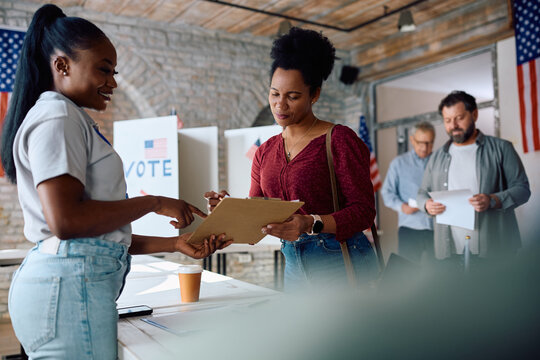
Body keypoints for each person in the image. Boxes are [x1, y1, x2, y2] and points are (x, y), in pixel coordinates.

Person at [0, 5, 231, 359]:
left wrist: (175, 243)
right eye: (103, 70)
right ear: (62, 65)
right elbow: (67, 222)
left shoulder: (66, 117)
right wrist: (154, 202)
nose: (112, 82)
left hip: (67, 286)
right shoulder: (57, 115)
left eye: (114, 72)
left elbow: (94, 236)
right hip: (68, 290)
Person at [206, 27, 378, 290]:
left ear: (315, 95)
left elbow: (364, 211)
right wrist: (229, 211)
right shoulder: (265, 151)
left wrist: (311, 222)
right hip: (293, 265)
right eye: (275, 94)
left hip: (340, 261)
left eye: (293, 96)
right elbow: (258, 210)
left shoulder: (339, 139)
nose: (280, 105)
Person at [417, 90, 530, 264]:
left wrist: (493, 199)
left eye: (459, 118)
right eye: (447, 120)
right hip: (449, 251)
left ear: (474, 114)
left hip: (495, 249)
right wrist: (426, 204)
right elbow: (422, 192)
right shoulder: (437, 156)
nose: (453, 125)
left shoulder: (502, 148)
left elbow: (522, 189)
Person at [381, 122, 435, 263]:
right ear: (412, 140)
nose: (425, 148)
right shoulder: (398, 163)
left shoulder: (439, 162)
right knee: (408, 273)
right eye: (420, 142)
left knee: (439, 274)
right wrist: (402, 207)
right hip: (410, 229)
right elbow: (387, 192)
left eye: (429, 143)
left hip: (437, 229)